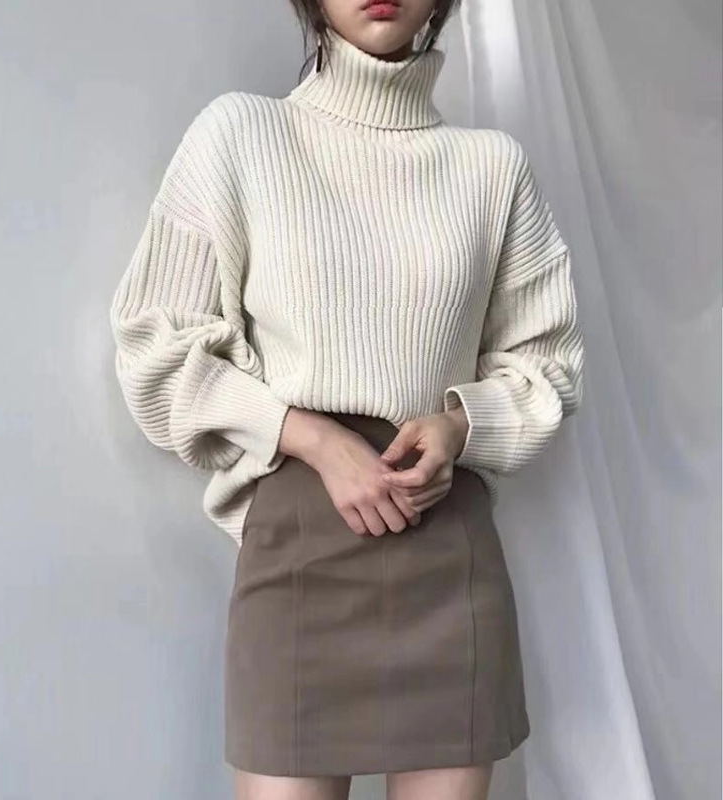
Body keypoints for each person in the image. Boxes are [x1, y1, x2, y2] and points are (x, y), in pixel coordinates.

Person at [108, 0, 585, 797]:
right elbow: (153, 348)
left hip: (448, 560)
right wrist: (314, 440)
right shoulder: (242, 136)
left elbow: (550, 364)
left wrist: (459, 426)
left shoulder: (493, 169)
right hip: (297, 558)